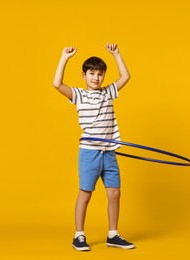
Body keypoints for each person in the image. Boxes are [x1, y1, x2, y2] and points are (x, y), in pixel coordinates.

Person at [53, 43, 135, 251]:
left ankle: (113, 235)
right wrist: (64, 58)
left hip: (109, 152)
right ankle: (78, 235)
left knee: (114, 193)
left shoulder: (108, 92)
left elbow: (125, 77)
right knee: (85, 194)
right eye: (91, 73)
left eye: (100, 74)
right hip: (89, 152)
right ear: (84, 76)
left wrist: (117, 54)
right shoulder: (79, 95)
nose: (96, 78)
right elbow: (57, 84)